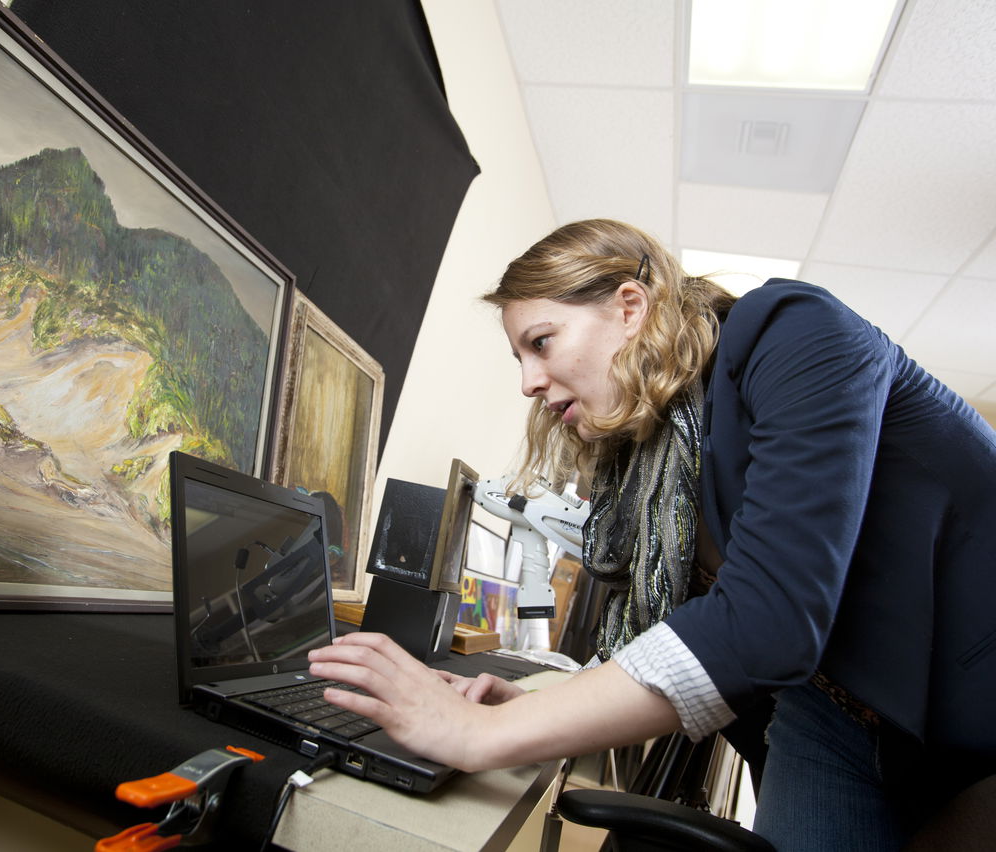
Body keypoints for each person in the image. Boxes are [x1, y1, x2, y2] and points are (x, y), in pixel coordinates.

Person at [308, 219, 996, 850]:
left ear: (630, 308)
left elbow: (768, 619)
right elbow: (689, 643)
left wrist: (485, 732)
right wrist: (544, 707)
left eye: (541, 342)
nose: (527, 382)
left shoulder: (795, 333)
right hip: (831, 713)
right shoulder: (650, 466)